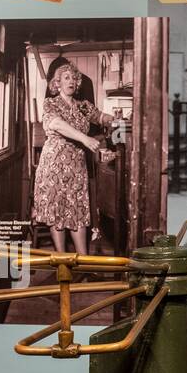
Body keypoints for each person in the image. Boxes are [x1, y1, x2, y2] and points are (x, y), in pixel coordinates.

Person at [32, 58, 114, 256]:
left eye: (74, 79)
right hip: (54, 164)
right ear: (57, 83)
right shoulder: (50, 104)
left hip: (77, 165)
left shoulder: (83, 106)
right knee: (57, 211)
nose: (71, 81)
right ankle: (62, 260)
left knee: (78, 210)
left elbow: (101, 117)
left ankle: (83, 261)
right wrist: (85, 139)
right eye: (65, 78)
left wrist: (117, 119)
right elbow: (57, 124)